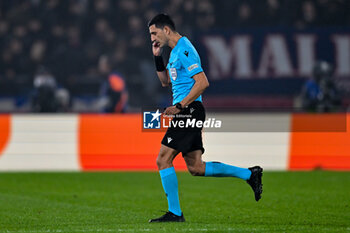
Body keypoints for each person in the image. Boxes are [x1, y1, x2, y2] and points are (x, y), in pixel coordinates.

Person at [148, 13, 263, 223]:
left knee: (163, 159)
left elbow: (202, 82)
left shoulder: (184, 49)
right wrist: (157, 56)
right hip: (187, 111)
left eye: (154, 33)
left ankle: (175, 213)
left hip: (188, 110)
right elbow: (165, 82)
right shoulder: (174, 52)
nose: (152, 38)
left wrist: (180, 106)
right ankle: (250, 174)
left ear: (166, 30)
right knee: (196, 168)